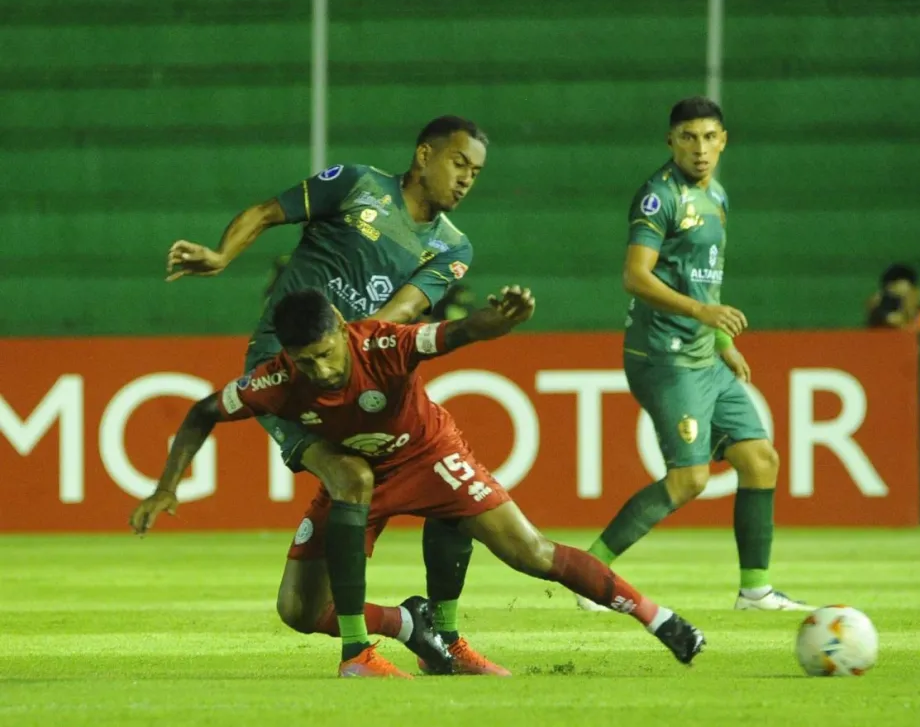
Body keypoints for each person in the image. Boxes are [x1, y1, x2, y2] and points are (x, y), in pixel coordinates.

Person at [130, 287, 706, 678]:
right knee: (298, 612)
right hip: (357, 477)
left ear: (339, 326)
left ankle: (659, 619)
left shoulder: (379, 342)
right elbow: (204, 411)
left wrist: (492, 322)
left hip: (430, 457)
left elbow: (448, 335)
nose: (321, 371)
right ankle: (409, 622)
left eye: (326, 354)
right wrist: (165, 486)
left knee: (529, 551)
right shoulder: (276, 379)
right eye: (306, 362)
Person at [159, 116, 505, 673]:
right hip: (286, 365)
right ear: (424, 155)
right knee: (348, 482)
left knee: (432, 468)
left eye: (476, 172)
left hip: (356, 371)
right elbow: (266, 212)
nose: (466, 179)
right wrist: (223, 256)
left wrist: (359, 352)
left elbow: (403, 314)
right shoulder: (357, 184)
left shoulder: (453, 247)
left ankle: (431, 633)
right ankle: (378, 641)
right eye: (458, 163)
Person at [576, 96, 813, 613]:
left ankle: (755, 591)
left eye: (709, 137)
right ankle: (589, 577)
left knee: (760, 460)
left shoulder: (718, 197)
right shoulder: (658, 197)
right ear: (671, 141)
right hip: (665, 356)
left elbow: (704, 280)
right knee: (690, 480)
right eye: (688, 137)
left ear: (724, 140)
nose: (700, 149)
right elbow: (635, 276)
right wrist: (704, 317)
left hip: (706, 356)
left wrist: (723, 342)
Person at [866, 263, 920, 333]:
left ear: (917, 294)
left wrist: (904, 326)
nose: (899, 303)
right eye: (894, 298)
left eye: (903, 296)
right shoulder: (880, 323)